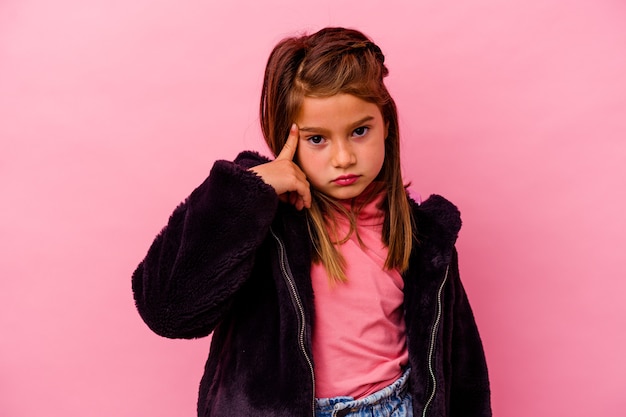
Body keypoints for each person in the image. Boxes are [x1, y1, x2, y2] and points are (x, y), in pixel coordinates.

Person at [132, 27, 491, 417]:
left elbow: (462, 367)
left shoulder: (424, 236)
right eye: (317, 139)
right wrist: (248, 192)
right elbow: (168, 310)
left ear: (386, 124)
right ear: (287, 139)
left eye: (359, 131)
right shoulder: (262, 220)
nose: (343, 158)